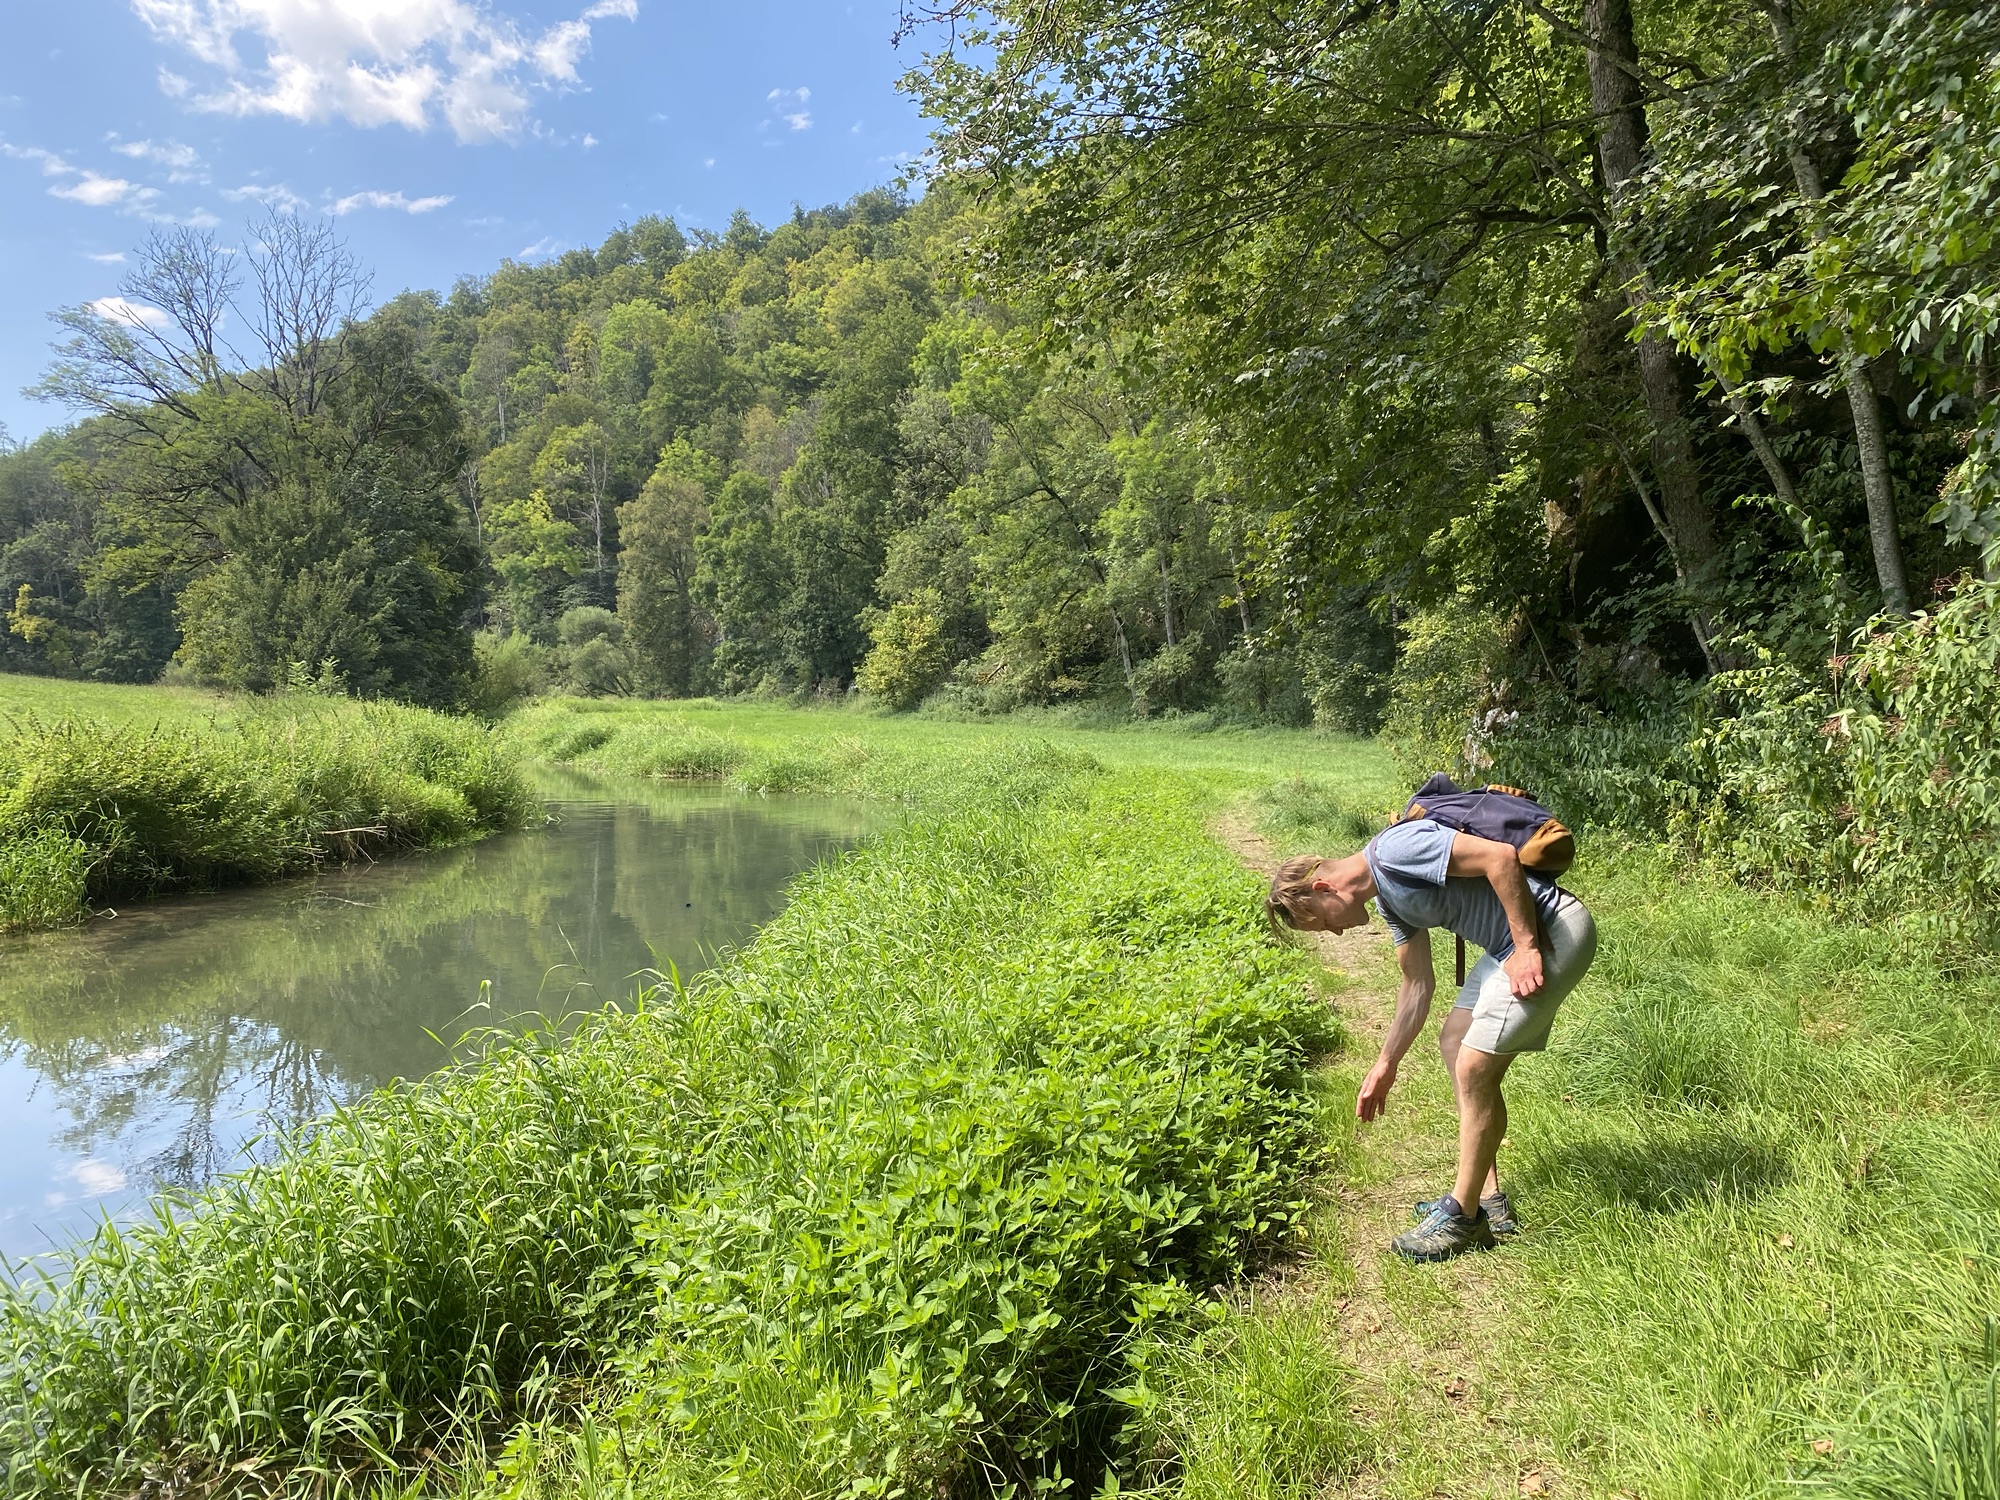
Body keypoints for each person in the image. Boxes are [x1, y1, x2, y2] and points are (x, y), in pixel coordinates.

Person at [1265, 817, 1597, 1261]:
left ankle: (1462, 1218)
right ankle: (1487, 1199)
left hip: (1552, 931)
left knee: (1474, 1068)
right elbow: (1417, 984)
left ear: (1324, 889)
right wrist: (1386, 1063)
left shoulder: (1396, 850)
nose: (1338, 932)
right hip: (1508, 948)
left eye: (1326, 924)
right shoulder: (1389, 900)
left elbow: (1500, 858)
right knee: (1455, 1043)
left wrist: (1526, 948)